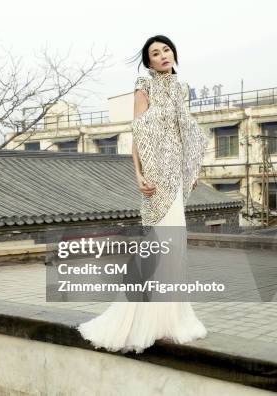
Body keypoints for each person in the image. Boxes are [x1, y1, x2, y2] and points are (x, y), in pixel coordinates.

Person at [76, 35, 208, 354]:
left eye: (166, 50)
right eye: (155, 53)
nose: (163, 55)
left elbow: (182, 131)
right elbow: (139, 131)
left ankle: (168, 320)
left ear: (173, 54)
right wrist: (137, 173)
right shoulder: (143, 84)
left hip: (175, 174)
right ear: (148, 62)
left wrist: (192, 172)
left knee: (173, 248)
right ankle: (138, 319)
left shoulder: (179, 88)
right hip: (155, 174)